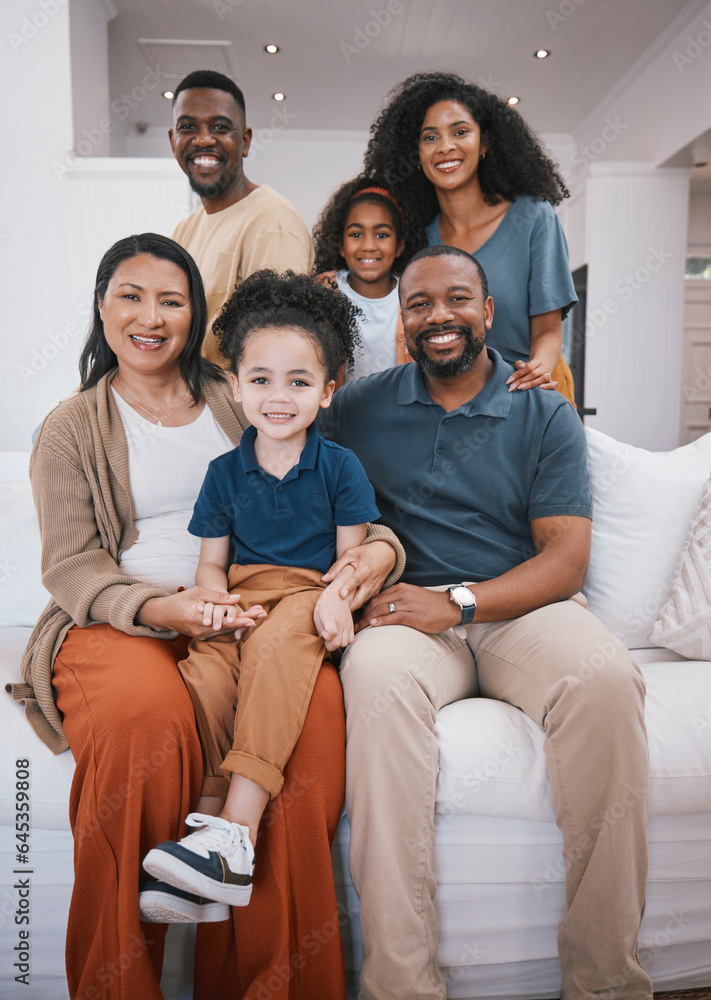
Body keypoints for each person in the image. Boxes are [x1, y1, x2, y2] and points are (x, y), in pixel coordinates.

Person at [9, 233, 401, 1000]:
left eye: (171, 299)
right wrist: (168, 607)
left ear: (196, 315)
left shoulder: (244, 391)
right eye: (131, 295)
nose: (150, 316)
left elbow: (340, 508)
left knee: (311, 730)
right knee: (144, 721)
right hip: (120, 621)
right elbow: (72, 566)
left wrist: (373, 560)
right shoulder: (71, 426)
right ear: (101, 306)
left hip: (259, 610)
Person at [319, 245, 651, 1000]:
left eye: (456, 299)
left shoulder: (540, 406)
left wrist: (460, 602)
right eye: (418, 304)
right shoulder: (361, 407)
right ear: (400, 321)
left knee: (604, 680)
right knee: (370, 680)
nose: (438, 316)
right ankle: (401, 985)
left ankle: (604, 982)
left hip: (520, 609)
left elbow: (564, 559)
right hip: (407, 614)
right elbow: (280, 419)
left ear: (488, 311)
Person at [143, 271, 380, 907]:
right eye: (261, 380)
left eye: (299, 382)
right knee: (208, 675)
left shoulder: (340, 468)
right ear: (238, 387)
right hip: (243, 596)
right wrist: (217, 605)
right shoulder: (222, 474)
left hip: (307, 594)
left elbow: (350, 562)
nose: (280, 397)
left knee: (276, 651)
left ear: (327, 392)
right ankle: (204, 845)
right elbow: (212, 565)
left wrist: (335, 599)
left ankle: (238, 835)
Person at [363, 71, 578, 405]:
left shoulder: (533, 217)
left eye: (460, 132)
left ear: (485, 144)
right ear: (417, 153)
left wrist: (533, 379)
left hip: (533, 387)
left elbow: (548, 331)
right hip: (456, 399)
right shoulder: (420, 236)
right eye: (430, 137)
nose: (445, 146)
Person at [169, 69, 314, 368]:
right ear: (173, 142)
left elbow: (273, 354)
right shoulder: (184, 231)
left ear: (245, 141)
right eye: (188, 127)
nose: (203, 139)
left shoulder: (273, 221)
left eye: (220, 127)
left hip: (233, 411)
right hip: (184, 403)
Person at [312, 176, 409, 382]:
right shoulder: (323, 291)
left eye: (381, 235)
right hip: (341, 412)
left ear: (399, 245)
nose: (368, 246)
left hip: (398, 412)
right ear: (340, 246)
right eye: (356, 234)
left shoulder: (412, 294)